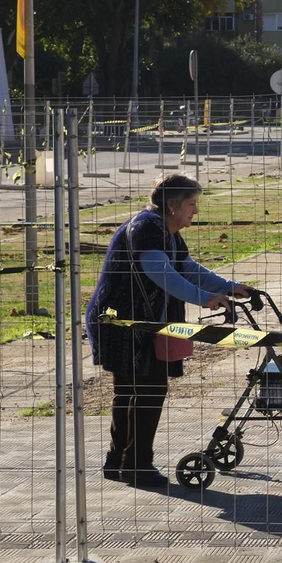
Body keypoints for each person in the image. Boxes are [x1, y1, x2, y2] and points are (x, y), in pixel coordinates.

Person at [85, 174, 251, 488]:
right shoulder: (148, 228)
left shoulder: (168, 231)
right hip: (122, 323)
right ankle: (136, 466)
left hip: (139, 323)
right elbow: (162, 274)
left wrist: (229, 287)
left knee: (134, 392)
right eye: (191, 204)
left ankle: (118, 462)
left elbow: (187, 269)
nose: (195, 211)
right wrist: (206, 298)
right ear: (173, 206)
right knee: (146, 391)